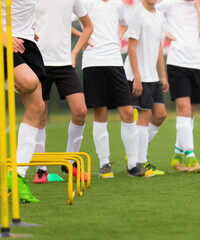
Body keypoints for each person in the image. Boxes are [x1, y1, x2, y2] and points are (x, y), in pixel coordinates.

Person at [71, 0, 142, 178]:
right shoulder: (85, 2)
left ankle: (133, 165)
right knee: (100, 112)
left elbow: (124, 24)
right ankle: (105, 164)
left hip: (115, 62)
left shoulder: (117, 4)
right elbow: (65, 21)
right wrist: (83, 37)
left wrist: (116, 38)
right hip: (92, 62)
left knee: (127, 111)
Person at [32, 0, 93, 182]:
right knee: (39, 115)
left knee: (80, 111)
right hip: (38, 61)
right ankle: (40, 171)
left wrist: (74, 53)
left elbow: (88, 26)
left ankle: (70, 162)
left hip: (64, 64)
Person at [156, 0, 200, 174]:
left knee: (190, 113)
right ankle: (191, 157)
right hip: (177, 63)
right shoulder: (170, 3)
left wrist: (197, 7)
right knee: (184, 109)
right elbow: (148, 14)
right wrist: (163, 32)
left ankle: (177, 156)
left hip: (198, 64)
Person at [2, 0, 46, 203]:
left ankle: (17, 176)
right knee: (29, 82)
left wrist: (30, 27)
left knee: (38, 107)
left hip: (25, 40)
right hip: (5, 38)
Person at [124, 0, 168, 177]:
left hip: (153, 76)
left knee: (160, 114)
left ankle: (135, 153)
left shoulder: (159, 15)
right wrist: (137, 77)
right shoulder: (137, 13)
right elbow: (131, 48)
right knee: (144, 115)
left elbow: (158, 46)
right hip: (137, 75)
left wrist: (163, 75)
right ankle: (139, 163)